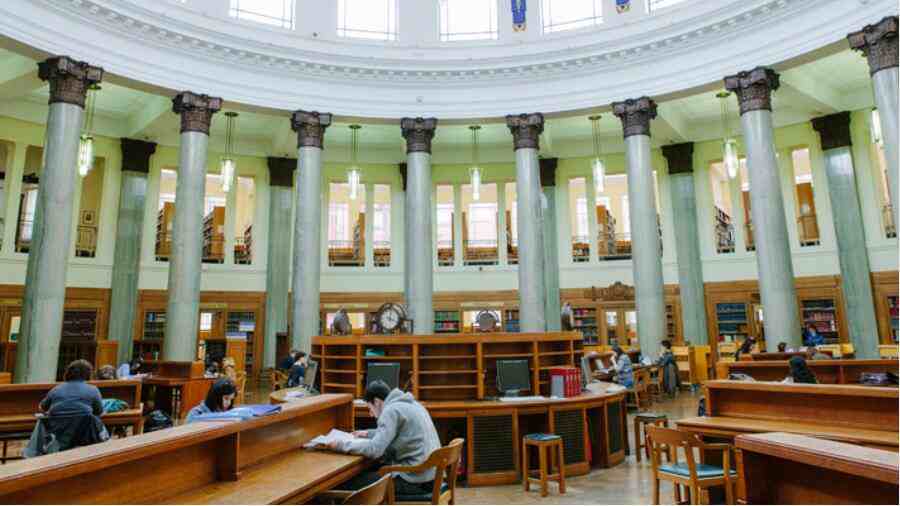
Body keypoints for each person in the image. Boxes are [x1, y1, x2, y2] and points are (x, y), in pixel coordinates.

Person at [329, 380, 441, 497]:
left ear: (377, 402)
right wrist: (367, 433)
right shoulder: (413, 404)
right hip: (430, 477)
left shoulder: (390, 410)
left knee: (348, 483)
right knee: (371, 472)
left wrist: (341, 445)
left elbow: (375, 449)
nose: (371, 414)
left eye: (369, 408)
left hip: (414, 480)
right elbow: (396, 432)